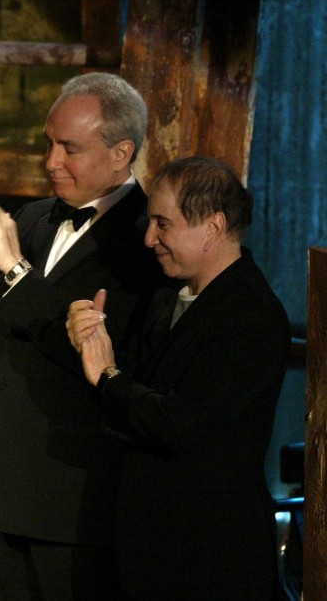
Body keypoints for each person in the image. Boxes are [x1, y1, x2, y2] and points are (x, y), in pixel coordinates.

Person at [0, 72, 166, 599]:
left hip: (78, 501)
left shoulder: (145, 242)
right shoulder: (35, 219)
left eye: (69, 148)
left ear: (120, 152)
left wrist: (17, 273)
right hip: (10, 494)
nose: (50, 162)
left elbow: (93, 354)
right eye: (49, 143)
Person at [66, 156, 289, 600]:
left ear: (212, 225)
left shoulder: (251, 316)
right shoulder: (169, 296)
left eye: (162, 224)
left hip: (207, 563)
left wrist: (108, 377)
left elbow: (182, 424)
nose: (150, 239)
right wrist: (88, 334)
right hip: (145, 557)